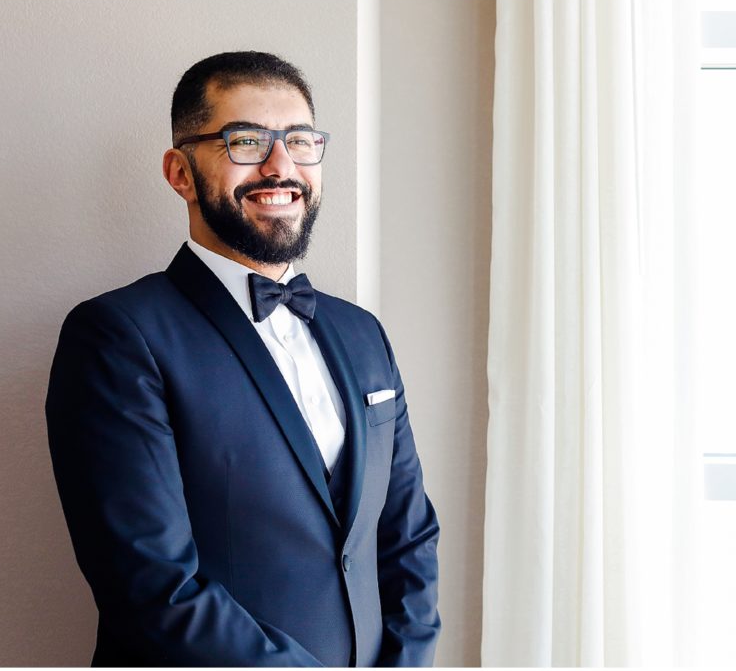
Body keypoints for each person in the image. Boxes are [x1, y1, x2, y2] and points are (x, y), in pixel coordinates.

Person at [45, 51, 440, 667]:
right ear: (180, 173)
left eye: (301, 141)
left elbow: (408, 535)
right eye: (246, 141)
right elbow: (152, 588)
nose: (282, 166)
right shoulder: (117, 336)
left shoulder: (364, 334)